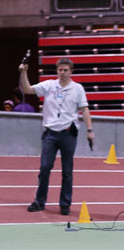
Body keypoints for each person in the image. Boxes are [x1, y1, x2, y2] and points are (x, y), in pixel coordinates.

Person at [20, 58, 94, 215]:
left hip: (68, 134)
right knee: (45, 168)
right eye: (60, 70)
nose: (62, 73)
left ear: (71, 71)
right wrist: (24, 72)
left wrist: (90, 129)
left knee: (67, 172)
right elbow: (27, 89)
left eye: (65, 70)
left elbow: (85, 109)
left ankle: (65, 204)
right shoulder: (49, 85)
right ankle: (40, 201)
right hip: (50, 134)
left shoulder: (78, 88)